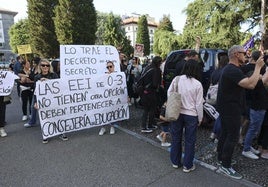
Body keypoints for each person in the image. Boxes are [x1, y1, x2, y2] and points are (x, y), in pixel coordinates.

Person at [216, 45, 264, 180]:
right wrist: (258, 67)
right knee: (232, 136)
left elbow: (252, 80)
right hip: (231, 109)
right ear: (237, 54)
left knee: (225, 134)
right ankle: (225, 165)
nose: (247, 55)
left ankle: (221, 159)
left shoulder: (233, 69)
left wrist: (258, 74)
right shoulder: (232, 70)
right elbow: (250, 85)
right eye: (244, 53)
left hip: (228, 108)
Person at [168, 59, 203, 173]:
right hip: (191, 115)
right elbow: (199, 104)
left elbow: (170, 93)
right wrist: (200, 118)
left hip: (177, 112)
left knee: (176, 138)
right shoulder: (198, 84)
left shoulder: (177, 79)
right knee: (190, 140)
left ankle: (175, 162)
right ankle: (187, 165)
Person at [240, 50, 268, 159]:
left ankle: (248, 145)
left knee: (254, 128)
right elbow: (264, 80)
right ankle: (246, 149)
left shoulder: (256, 76)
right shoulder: (256, 79)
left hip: (258, 106)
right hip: (257, 106)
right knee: (253, 128)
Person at [33, 59, 68, 144]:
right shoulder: (37, 77)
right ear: (40, 67)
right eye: (43, 65)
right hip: (43, 101)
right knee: (45, 117)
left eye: (47, 65)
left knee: (58, 115)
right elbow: (35, 91)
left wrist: (48, 81)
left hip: (54, 100)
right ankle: (46, 134)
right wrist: (35, 102)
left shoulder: (54, 75)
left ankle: (61, 132)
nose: (45, 67)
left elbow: (58, 86)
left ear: (50, 67)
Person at [140, 56, 162, 133]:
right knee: (151, 109)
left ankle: (147, 125)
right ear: (158, 63)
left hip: (144, 91)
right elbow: (155, 84)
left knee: (146, 109)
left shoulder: (147, 67)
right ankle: (146, 126)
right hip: (150, 92)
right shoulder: (155, 70)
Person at [98, 61, 117, 136]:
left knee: (113, 112)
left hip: (114, 98)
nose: (109, 68)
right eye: (107, 67)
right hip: (105, 98)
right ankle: (103, 127)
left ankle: (112, 126)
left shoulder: (117, 75)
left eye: (110, 66)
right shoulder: (104, 76)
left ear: (113, 66)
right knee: (104, 112)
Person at [24, 57, 41, 128]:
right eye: (32, 63)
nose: (33, 64)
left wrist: (31, 81)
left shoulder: (41, 70)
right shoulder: (33, 69)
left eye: (34, 63)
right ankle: (32, 121)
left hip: (41, 91)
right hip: (35, 90)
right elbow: (32, 77)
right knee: (33, 106)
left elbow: (39, 81)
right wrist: (27, 76)